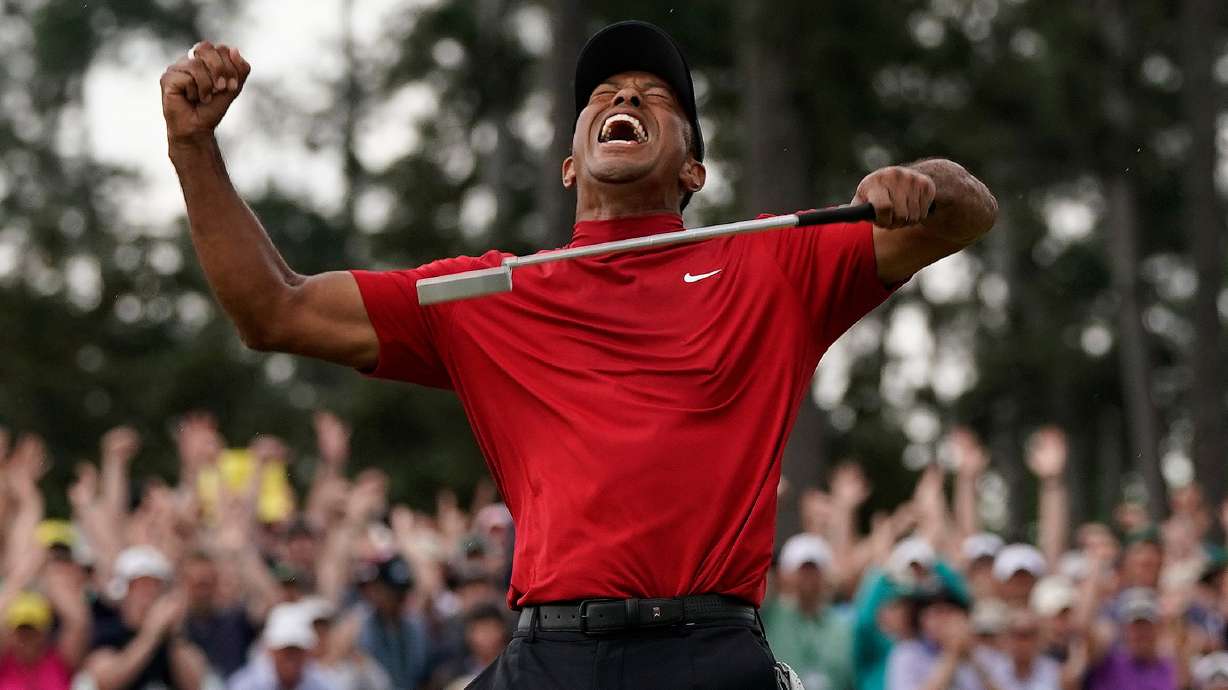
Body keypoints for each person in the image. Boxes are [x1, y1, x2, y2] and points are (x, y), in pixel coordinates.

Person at [160, 16, 997, 688]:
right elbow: (274, 309)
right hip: (551, 657)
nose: (625, 96)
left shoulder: (772, 264)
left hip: (708, 654)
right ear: (569, 164)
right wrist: (193, 150)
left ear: (694, 172)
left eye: (655, 96)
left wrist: (921, 183)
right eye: (603, 93)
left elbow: (969, 214)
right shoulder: (488, 294)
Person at [81, 545, 211, 690]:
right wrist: (150, 634)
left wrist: (173, 635)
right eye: (140, 588)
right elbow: (106, 681)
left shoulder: (177, 637)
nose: (147, 597)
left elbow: (195, 683)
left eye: (155, 587)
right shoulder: (108, 631)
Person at [762, 533, 854, 690]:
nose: (809, 578)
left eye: (814, 571)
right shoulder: (770, 616)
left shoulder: (843, 625)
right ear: (786, 575)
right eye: (802, 571)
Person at [228, 604, 337, 690]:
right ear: (271, 651)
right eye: (285, 650)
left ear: (307, 652)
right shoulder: (245, 685)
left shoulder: (323, 684)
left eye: (297, 650)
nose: (292, 657)